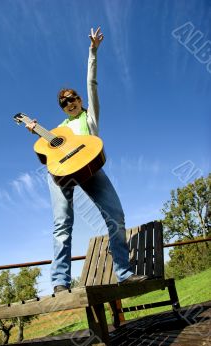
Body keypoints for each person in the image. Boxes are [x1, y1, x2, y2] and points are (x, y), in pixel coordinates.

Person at [26, 27, 148, 293]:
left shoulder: (89, 117)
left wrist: (93, 51)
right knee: (62, 224)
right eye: (63, 102)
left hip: (90, 167)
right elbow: (46, 147)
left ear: (80, 100)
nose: (69, 102)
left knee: (116, 215)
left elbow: (92, 83)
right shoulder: (58, 129)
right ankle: (60, 281)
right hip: (61, 173)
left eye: (72, 98)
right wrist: (34, 128)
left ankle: (124, 273)